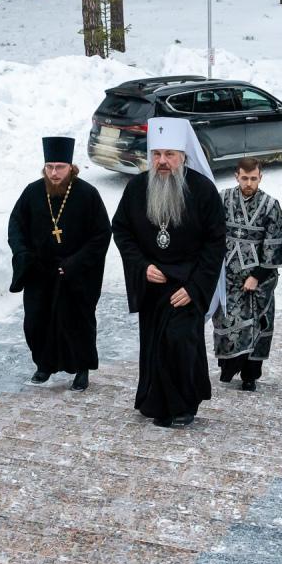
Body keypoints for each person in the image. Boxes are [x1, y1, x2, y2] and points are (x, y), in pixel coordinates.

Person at [112, 117, 226, 427]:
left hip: (187, 284)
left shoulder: (202, 191)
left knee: (180, 342)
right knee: (153, 344)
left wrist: (195, 288)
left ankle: (183, 406)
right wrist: (142, 266)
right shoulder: (138, 187)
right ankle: (154, 401)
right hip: (153, 283)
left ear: (183, 156)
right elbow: (121, 230)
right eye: (157, 154)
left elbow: (215, 244)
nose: (162, 161)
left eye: (169, 155)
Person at [8, 136, 111, 391]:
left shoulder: (87, 194)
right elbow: (16, 226)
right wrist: (24, 254)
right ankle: (44, 365)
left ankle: (82, 369)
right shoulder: (32, 192)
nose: (54, 173)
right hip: (40, 271)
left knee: (77, 323)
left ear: (71, 167)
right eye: (50, 167)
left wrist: (75, 263)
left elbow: (101, 234)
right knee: (37, 321)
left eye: (60, 167)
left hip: (76, 273)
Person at [212, 158, 282, 392]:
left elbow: (274, 244)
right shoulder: (223, 198)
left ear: (260, 177)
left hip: (258, 279)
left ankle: (250, 375)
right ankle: (228, 368)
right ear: (236, 176)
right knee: (228, 322)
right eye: (244, 178)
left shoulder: (270, 205)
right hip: (227, 276)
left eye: (253, 178)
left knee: (256, 325)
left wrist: (257, 276)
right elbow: (211, 232)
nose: (248, 183)